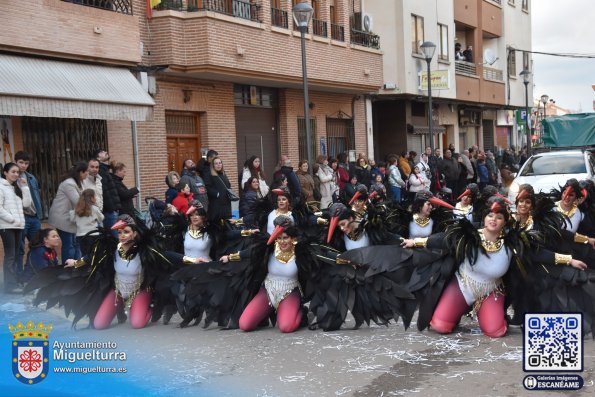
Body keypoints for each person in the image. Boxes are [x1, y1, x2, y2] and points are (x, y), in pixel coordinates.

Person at [402, 196, 587, 337]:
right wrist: (415, 242)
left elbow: (537, 254)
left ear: (505, 222)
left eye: (499, 217)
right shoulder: (470, 234)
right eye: (490, 215)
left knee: (495, 331)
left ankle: (487, 310)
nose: (493, 219)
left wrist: (568, 260)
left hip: (492, 289)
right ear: (484, 218)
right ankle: (457, 309)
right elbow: (443, 239)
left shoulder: (512, 242)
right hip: (463, 285)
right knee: (440, 326)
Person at [0, 163, 32, 293]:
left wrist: (25, 187)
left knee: (16, 255)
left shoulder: (15, 188)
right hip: (7, 226)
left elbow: (27, 204)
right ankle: (10, 286)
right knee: (10, 256)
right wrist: (13, 219)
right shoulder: (1, 186)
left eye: (17, 172)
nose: (16, 174)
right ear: (5, 172)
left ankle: (13, 283)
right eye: (13, 171)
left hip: (18, 226)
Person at [48, 161, 88, 262]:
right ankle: (68, 269)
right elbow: (78, 201)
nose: (87, 174)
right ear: (80, 172)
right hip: (63, 218)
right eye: (86, 172)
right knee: (69, 245)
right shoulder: (69, 183)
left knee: (75, 244)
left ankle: (76, 267)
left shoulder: (77, 183)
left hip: (71, 219)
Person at [14, 151, 43, 283]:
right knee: (19, 249)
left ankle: (33, 274)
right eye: (21, 162)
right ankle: (19, 277)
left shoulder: (31, 178)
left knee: (38, 246)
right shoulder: (11, 178)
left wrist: (39, 215)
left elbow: (36, 198)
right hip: (21, 218)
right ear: (15, 162)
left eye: (26, 163)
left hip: (34, 216)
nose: (23, 166)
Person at [69, 189, 104, 256]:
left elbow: (72, 220)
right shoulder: (94, 209)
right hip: (93, 235)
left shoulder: (76, 210)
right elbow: (101, 218)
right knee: (93, 255)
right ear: (91, 198)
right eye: (95, 196)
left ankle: (85, 266)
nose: (95, 198)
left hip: (80, 235)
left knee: (84, 254)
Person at [93, 149, 121, 233]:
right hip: (109, 211)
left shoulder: (105, 170)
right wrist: (111, 208)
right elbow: (104, 191)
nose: (105, 152)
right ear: (98, 158)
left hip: (112, 210)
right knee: (114, 238)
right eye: (101, 152)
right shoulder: (101, 171)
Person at [205, 156, 233, 223]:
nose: (218, 165)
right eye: (216, 163)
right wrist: (217, 194)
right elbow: (207, 187)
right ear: (213, 165)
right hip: (216, 206)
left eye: (220, 163)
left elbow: (228, 185)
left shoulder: (223, 174)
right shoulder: (209, 175)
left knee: (227, 226)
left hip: (226, 205)